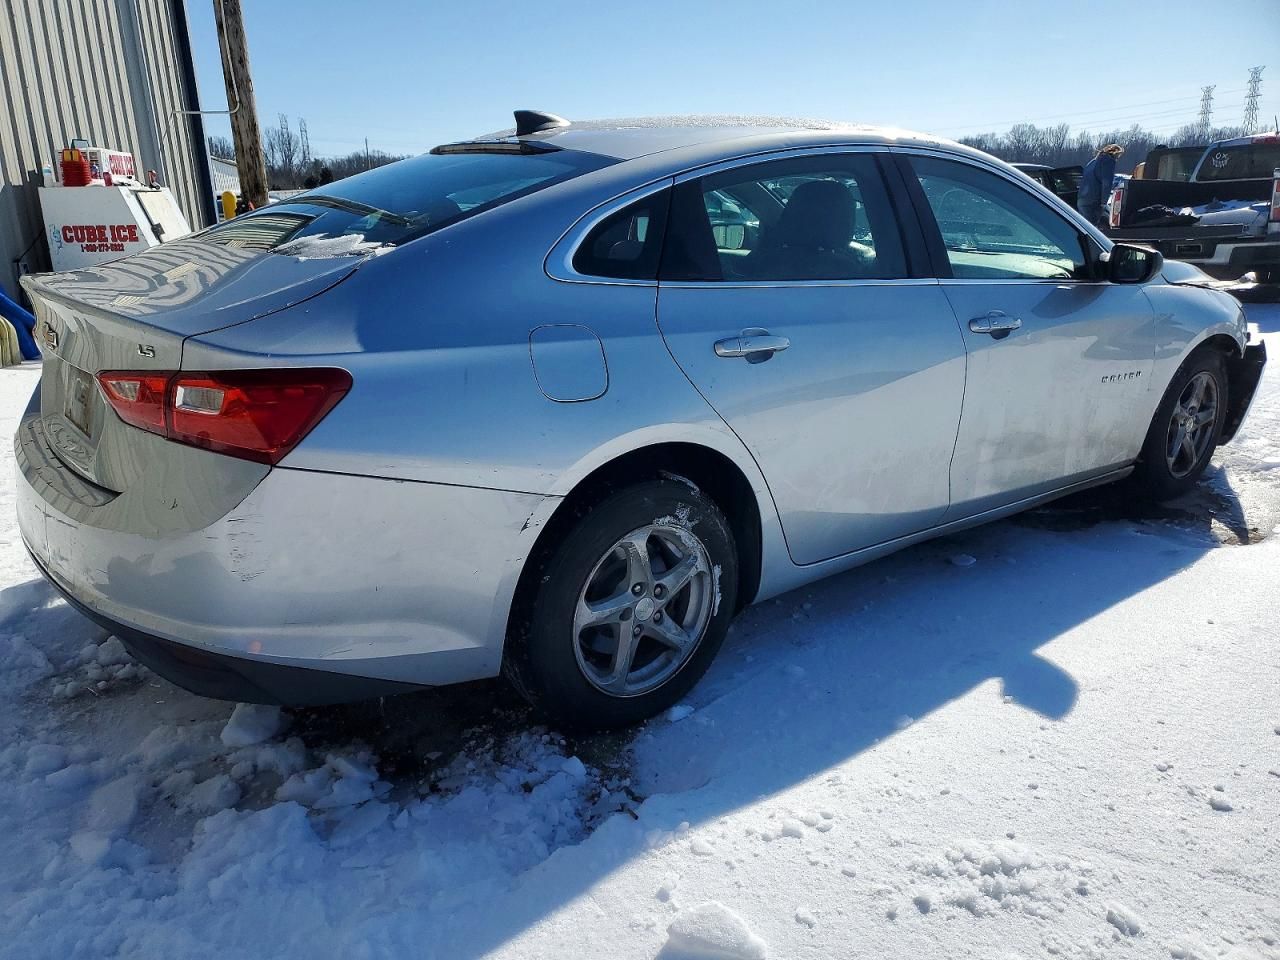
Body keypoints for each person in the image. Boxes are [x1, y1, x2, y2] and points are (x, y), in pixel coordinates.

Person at [1077, 143, 1123, 228]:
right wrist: (1104, 202)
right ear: (1115, 153)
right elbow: (1107, 183)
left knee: (1084, 228)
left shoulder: (1093, 161)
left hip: (1082, 199)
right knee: (1092, 229)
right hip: (1093, 201)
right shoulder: (1108, 161)